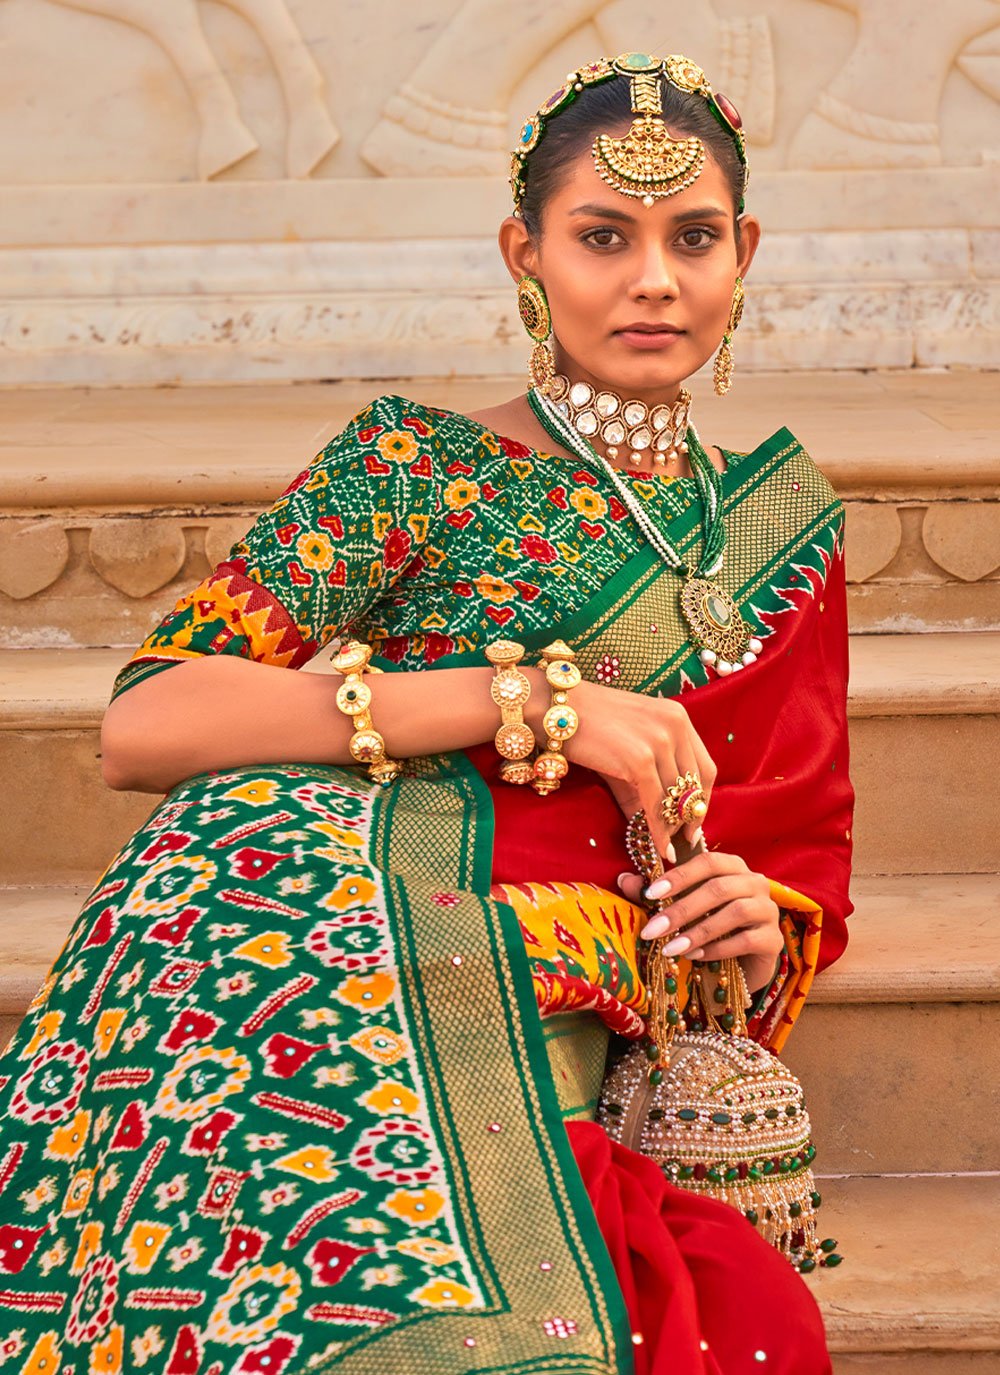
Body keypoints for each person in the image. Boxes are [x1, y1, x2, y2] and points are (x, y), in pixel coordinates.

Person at [0, 51, 852, 1375]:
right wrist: (532, 703)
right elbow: (149, 720)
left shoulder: (785, 536)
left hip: (542, 1007)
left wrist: (754, 926)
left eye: (692, 240)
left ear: (743, 251)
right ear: (526, 254)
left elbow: (794, 857)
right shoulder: (412, 467)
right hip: (329, 939)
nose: (653, 282)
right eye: (601, 238)